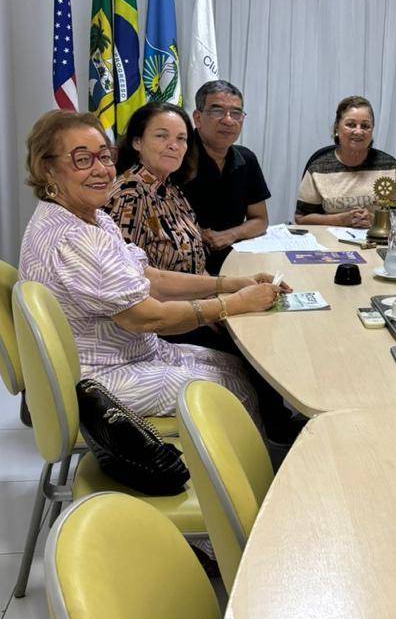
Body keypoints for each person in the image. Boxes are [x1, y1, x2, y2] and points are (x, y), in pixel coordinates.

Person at [18, 111, 288, 431]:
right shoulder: (75, 237)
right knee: (230, 391)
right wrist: (234, 303)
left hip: (132, 350)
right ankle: (238, 461)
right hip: (98, 375)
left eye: (104, 156)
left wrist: (233, 284)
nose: (102, 169)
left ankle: (256, 444)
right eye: (82, 159)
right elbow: (147, 317)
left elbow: (151, 277)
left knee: (234, 367)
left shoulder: (92, 216)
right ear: (47, 169)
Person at [182, 80, 271, 275]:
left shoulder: (246, 159)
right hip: (185, 265)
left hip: (235, 259)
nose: (228, 120)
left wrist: (229, 235)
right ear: (197, 118)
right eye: (217, 111)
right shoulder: (178, 158)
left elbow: (260, 220)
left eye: (236, 113)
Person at [107, 102, 206, 274]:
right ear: (137, 142)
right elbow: (130, 277)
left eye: (181, 138)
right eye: (162, 136)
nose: (174, 145)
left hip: (198, 288)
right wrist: (219, 286)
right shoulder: (129, 195)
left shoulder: (171, 188)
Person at [295, 95, 396, 226]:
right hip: (330, 238)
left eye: (365, 126)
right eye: (351, 125)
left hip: (377, 238)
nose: (358, 131)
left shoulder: (389, 166)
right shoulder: (318, 168)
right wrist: (340, 220)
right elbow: (301, 218)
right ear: (336, 128)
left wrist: (375, 221)